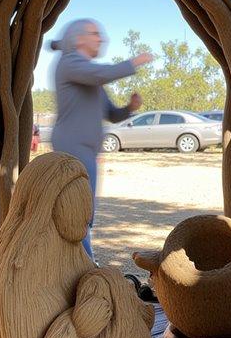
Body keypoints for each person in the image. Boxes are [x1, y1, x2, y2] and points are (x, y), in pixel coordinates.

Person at [50, 18, 154, 259]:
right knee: (79, 208)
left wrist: (129, 107)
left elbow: (112, 114)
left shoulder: (89, 76)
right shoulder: (70, 64)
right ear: (78, 38)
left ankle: (84, 259)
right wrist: (134, 63)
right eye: (94, 33)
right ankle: (84, 262)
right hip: (72, 147)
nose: (101, 38)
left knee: (86, 210)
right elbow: (104, 73)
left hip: (86, 150)